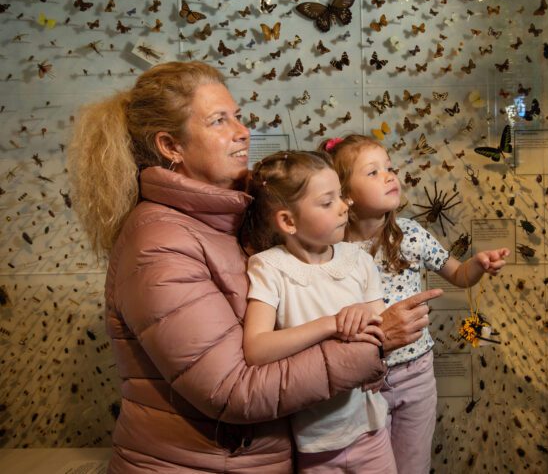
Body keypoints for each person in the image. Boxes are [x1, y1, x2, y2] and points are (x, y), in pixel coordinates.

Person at [66, 61, 441, 473]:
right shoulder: (158, 244)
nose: (242, 130)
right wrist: (374, 342)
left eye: (239, 117)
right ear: (171, 146)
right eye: (219, 120)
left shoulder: (231, 219)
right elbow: (233, 390)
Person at [323, 135, 509, 474]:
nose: (390, 176)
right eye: (374, 172)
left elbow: (459, 275)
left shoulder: (411, 234)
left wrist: (478, 265)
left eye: (390, 168)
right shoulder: (333, 246)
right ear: (346, 195)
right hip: (363, 380)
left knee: (412, 466)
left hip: (416, 374)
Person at [241, 150, 395, 473]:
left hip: (371, 431)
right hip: (314, 443)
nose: (344, 206)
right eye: (327, 202)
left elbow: (384, 335)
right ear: (288, 221)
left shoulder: (359, 261)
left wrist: (366, 318)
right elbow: (256, 348)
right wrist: (330, 324)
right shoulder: (269, 268)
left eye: (340, 196)